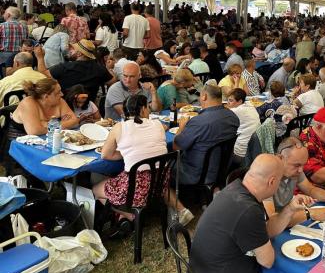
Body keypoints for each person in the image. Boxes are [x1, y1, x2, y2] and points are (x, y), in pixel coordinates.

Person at [187, 154, 313, 273]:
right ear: (271, 182)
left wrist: (290, 208)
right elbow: (267, 261)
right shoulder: (248, 209)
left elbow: (266, 230)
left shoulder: (237, 188)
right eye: (279, 180)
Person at [93, 95, 194, 235]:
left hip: (134, 192)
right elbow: (161, 130)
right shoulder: (158, 125)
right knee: (151, 174)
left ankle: (130, 216)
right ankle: (131, 216)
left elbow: (106, 155)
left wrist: (127, 152)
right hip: (159, 185)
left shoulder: (119, 127)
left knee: (95, 189)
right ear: (142, 109)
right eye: (148, 107)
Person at [264, 136, 325, 226]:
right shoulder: (267, 178)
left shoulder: (294, 170)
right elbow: (272, 222)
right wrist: (311, 213)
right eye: (296, 165)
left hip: (286, 219)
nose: (301, 170)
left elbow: (310, 189)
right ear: (279, 158)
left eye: (303, 165)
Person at [172, 85, 239, 186]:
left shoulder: (198, 122)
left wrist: (181, 127)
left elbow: (176, 147)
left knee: (163, 163)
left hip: (196, 173)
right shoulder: (232, 117)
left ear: (204, 97)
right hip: (222, 169)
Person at [36, 39, 115, 101]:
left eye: (73, 49)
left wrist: (40, 57)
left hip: (67, 107)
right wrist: (109, 68)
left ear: (79, 53)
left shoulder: (65, 67)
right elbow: (112, 81)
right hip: (89, 106)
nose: (70, 50)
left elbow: (43, 74)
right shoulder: (99, 69)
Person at [10, 79, 78, 136]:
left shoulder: (59, 101)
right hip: (18, 139)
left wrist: (45, 124)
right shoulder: (28, 103)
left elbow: (75, 121)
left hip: (48, 138)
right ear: (46, 96)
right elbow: (34, 131)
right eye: (58, 92)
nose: (62, 94)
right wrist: (63, 123)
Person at [227, 88, 261, 164]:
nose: (228, 103)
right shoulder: (250, 106)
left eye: (231, 100)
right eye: (228, 100)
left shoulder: (236, 111)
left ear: (240, 101)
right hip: (253, 150)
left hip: (241, 154)